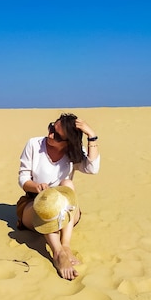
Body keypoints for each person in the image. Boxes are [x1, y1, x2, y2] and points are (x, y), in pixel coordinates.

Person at [16, 113, 100, 280]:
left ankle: (66, 245)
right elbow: (23, 178)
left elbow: (92, 169)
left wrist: (91, 136)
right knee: (47, 202)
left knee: (67, 184)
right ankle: (58, 253)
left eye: (56, 135)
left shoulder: (73, 154)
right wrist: (36, 186)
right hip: (34, 206)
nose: (50, 134)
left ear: (68, 142)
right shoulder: (34, 144)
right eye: (51, 127)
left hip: (65, 210)